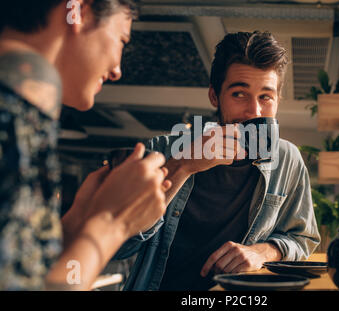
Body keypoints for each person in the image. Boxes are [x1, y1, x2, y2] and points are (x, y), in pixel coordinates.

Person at [114, 31, 321, 291]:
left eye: (265, 97)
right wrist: (183, 165)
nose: (253, 112)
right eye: (239, 94)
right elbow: (121, 245)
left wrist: (263, 252)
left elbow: (302, 238)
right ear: (215, 96)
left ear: (277, 100)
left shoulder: (287, 160)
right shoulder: (162, 150)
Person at [0, 0, 171, 290]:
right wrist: (113, 223)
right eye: (122, 40)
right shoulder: (15, 109)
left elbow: (30, 269)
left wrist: (81, 218)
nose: (117, 69)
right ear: (77, 11)